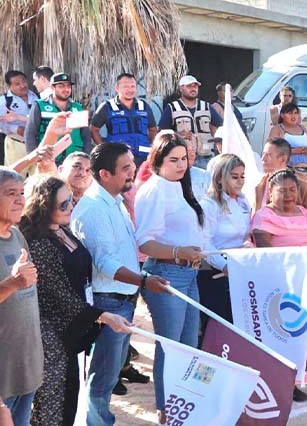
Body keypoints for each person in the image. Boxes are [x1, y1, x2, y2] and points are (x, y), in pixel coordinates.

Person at [71, 142, 169, 426]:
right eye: (125, 168)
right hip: (108, 301)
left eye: (132, 165)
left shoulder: (114, 201)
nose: (133, 172)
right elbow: (106, 264)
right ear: (104, 174)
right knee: (102, 376)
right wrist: (144, 280)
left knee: (109, 374)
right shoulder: (94, 209)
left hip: (122, 300)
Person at [21, 176, 133, 426]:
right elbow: (58, 294)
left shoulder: (63, 230)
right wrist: (103, 316)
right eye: (63, 204)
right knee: (52, 405)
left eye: (70, 201)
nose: (70, 207)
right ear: (43, 206)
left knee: (70, 397)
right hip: (49, 335)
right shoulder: (39, 243)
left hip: (70, 331)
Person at [134, 132, 205, 425]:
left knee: (188, 344)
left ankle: (181, 404)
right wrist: (179, 252)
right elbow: (144, 242)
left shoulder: (180, 187)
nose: (181, 165)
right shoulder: (154, 190)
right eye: (173, 160)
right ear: (158, 161)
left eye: (184, 159)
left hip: (188, 273)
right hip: (167, 273)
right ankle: (167, 411)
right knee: (171, 346)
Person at [250, 169, 307, 402]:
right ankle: (278, 383)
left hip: (304, 283)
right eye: (282, 190)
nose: (288, 195)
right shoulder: (264, 216)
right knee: (279, 335)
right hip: (277, 284)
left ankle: (295, 381)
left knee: (300, 334)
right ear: (270, 192)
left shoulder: (304, 213)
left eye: (292, 189)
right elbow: (263, 245)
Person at [0, 168, 41, 426]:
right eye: (10, 193)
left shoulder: (16, 234)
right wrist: (14, 282)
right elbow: (18, 283)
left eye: (22, 193)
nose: (20, 200)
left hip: (25, 368)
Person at [198, 154, 251, 329]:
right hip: (214, 272)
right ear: (220, 178)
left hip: (239, 269)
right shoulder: (209, 205)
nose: (240, 181)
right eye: (234, 177)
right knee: (217, 328)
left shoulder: (243, 202)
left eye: (242, 176)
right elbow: (204, 243)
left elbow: (244, 236)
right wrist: (224, 265)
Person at [90, 73, 158, 166]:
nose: (130, 90)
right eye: (126, 86)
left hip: (143, 158)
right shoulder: (107, 106)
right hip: (118, 158)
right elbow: (94, 129)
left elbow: (152, 129)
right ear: (117, 88)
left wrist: (150, 144)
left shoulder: (144, 106)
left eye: (133, 86)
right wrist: (104, 148)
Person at [25, 73, 92, 162]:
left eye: (68, 86)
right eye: (61, 86)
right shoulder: (40, 105)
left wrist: (86, 156)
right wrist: (34, 158)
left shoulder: (78, 107)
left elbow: (86, 136)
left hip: (73, 160)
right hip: (48, 159)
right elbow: (30, 133)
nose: (66, 89)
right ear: (52, 87)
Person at [159, 75, 223, 169]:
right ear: (181, 88)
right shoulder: (172, 108)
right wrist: (177, 135)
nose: (193, 89)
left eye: (195, 86)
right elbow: (162, 132)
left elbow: (220, 126)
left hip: (207, 156)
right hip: (184, 158)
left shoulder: (206, 106)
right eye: (189, 86)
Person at [269, 102, 307, 203]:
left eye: (296, 113)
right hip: (288, 172)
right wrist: (295, 151)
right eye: (290, 113)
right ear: (282, 115)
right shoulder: (277, 129)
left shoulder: (302, 128)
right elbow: (272, 150)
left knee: (306, 202)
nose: (294, 116)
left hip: (306, 172)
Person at [254, 137, 307, 210]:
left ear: (283, 159)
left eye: (269, 155)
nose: (263, 159)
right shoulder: (260, 183)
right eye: (263, 154)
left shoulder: (302, 186)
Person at [1, 70, 39, 167]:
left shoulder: (37, 97)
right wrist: (16, 129)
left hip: (36, 143)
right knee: (16, 175)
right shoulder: (4, 101)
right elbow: (1, 122)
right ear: (9, 86)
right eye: (17, 84)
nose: (22, 85)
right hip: (16, 143)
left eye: (24, 82)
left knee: (37, 175)